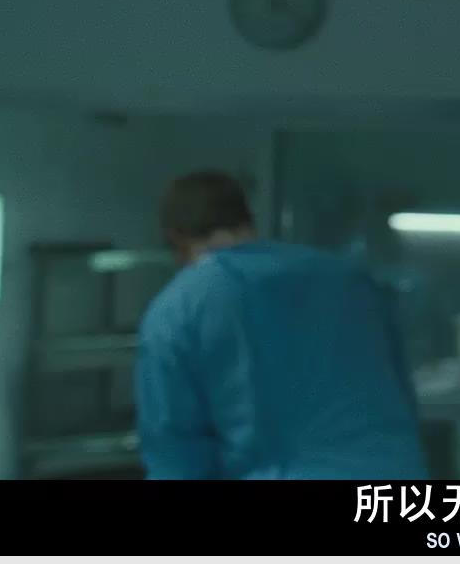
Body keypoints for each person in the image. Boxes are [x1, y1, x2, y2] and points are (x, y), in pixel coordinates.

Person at [135, 171, 427, 479]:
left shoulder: (178, 310)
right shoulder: (350, 279)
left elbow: (174, 453)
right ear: (249, 222)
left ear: (176, 240)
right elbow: (401, 393)